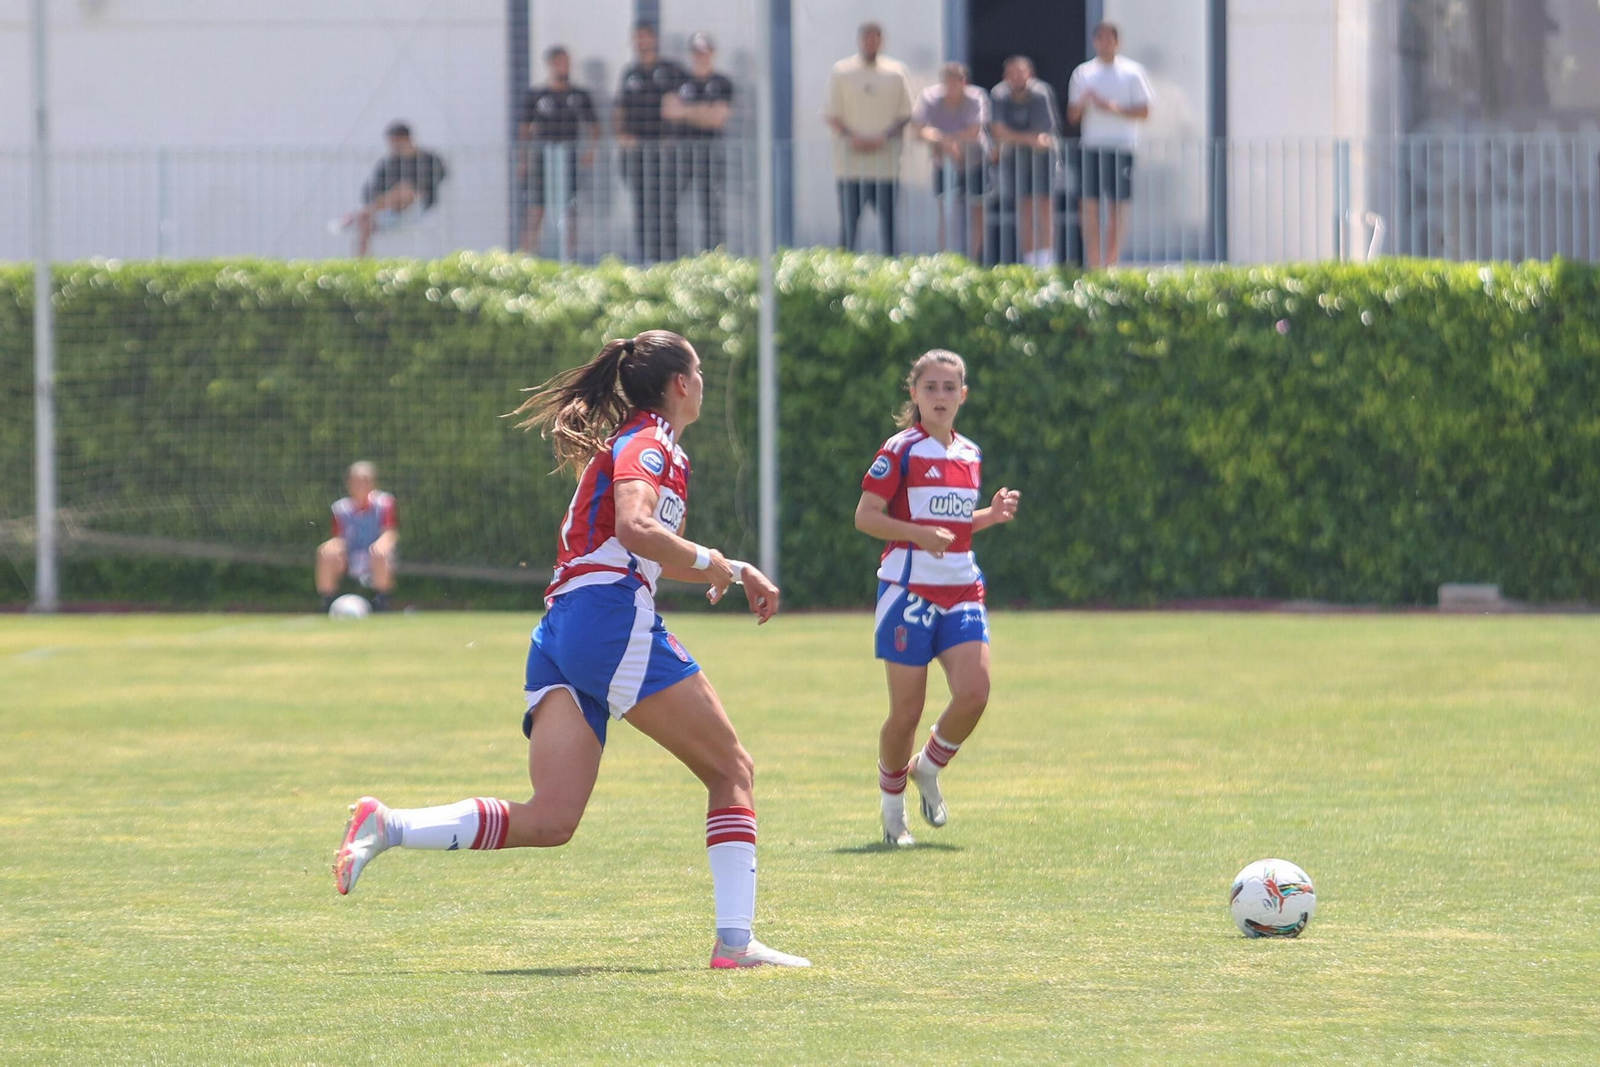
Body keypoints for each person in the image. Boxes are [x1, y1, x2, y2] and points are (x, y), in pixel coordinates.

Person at [332, 330, 810, 970]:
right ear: (680, 385)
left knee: (552, 819)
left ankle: (386, 826)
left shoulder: (645, 444)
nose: (703, 381)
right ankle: (735, 943)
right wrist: (717, 562)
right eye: (699, 371)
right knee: (732, 771)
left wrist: (732, 567)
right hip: (606, 621)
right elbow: (637, 529)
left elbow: (639, 547)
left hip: (564, 629)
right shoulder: (649, 442)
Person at [853, 350, 1021, 847]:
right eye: (931, 387)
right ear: (914, 393)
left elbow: (952, 528)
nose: (941, 396)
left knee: (975, 693)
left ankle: (927, 767)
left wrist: (987, 516)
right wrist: (917, 535)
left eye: (951, 388)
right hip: (907, 591)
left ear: (963, 395)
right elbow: (866, 516)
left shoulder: (969, 453)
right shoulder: (899, 449)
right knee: (905, 713)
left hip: (962, 588)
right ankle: (891, 810)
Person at [1066, 22, 1152, 267]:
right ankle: (1094, 264)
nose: (1104, 43)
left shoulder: (1132, 72)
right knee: (1088, 206)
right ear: (1095, 42)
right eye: (1100, 39)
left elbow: (1144, 112)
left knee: (1117, 208)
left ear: (1117, 41)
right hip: (1091, 147)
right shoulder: (1083, 73)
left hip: (1121, 147)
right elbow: (1072, 117)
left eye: (1109, 39)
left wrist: (1113, 108)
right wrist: (1083, 103)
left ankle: (1111, 263)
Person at [825, 22, 913, 254]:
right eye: (866, 38)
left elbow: (906, 114)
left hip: (886, 166)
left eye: (874, 38)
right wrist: (854, 138)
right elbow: (831, 114)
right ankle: (843, 275)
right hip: (850, 167)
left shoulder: (896, 71)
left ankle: (892, 274)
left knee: (890, 227)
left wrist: (883, 137)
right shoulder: (842, 70)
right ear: (859, 40)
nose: (870, 43)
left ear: (881, 40)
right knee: (849, 227)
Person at [616, 22, 690, 262]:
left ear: (654, 40)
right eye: (638, 38)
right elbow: (620, 109)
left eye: (646, 37)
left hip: (665, 154)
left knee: (666, 208)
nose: (642, 43)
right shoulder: (630, 73)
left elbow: (684, 106)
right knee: (642, 207)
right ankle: (646, 258)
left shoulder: (672, 71)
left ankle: (670, 259)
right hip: (637, 155)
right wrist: (622, 135)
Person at [519, 46, 600, 256]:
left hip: (569, 159)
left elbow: (594, 126)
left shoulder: (579, 95)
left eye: (567, 62)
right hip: (542, 159)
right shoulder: (537, 95)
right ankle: (524, 258)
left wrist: (591, 151)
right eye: (560, 62)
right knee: (536, 208)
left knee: (569, 210)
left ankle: (569, 257)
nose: (565, 66)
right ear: (551, 64)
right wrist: (524, 160)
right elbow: (524, 129)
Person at [912, 62, 990, 260]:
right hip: (943, 163)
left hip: (974, 161)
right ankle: (947, 258)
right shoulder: (929, 97)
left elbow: (975, 131)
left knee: (977, 210)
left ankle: (974, 259)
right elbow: (919, 129)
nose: (952, 86)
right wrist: (946, 143)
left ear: (965, 82)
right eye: (948, 82)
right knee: (946, 212)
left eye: (957, 81)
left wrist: (947, 141)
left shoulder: (976, 97)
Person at [664, 32, 735, 252]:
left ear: (712, 52)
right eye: (696, 51)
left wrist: (686, 111)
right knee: (671, 204)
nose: (700, 55)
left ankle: (714, 253)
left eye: (704, 51)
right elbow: (669, 111)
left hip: (711, 153)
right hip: (682, 153)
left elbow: (718, 119)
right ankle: (671, 254)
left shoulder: (721, 82)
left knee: (711, 205)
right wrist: (703, 110)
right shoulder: (679, 81)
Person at [335, 122, 448, 257]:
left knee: (405, 190)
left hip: (416, 209)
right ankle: (360, 264)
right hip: (388, 211)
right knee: (366, 223)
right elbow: (371, 190)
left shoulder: (429, 159)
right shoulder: (389, 162)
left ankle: (359, 215)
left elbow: (430, 183)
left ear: (405, 139)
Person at [991, 56, 1061, 266]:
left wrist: (1016, 137)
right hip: (1014, 158)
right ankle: (1030, 262)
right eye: (1012, 73)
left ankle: (1047, 262)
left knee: (1045, 205)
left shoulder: (1040, 93)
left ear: (1031, 74)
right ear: (1005, 76)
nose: (1017, 77)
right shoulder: (999, 94)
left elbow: (1043, 134)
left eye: (1021, 72)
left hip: (1043, 158)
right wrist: (1028, 139)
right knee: (1024, 207)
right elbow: (999, 131)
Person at [316, 461, 398, 612]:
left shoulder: (384, 503)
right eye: (356, 481)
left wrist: (381, 544)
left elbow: (390, 532)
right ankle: (327, 602)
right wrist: (332, 545)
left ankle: (382, 603)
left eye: (365, 481)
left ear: (373, 483)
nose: (361, 485)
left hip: (374, 556)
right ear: (349, 484)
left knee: (381, 552)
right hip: (349, 556)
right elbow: (338, 537)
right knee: (326, 552)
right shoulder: (340, 508)